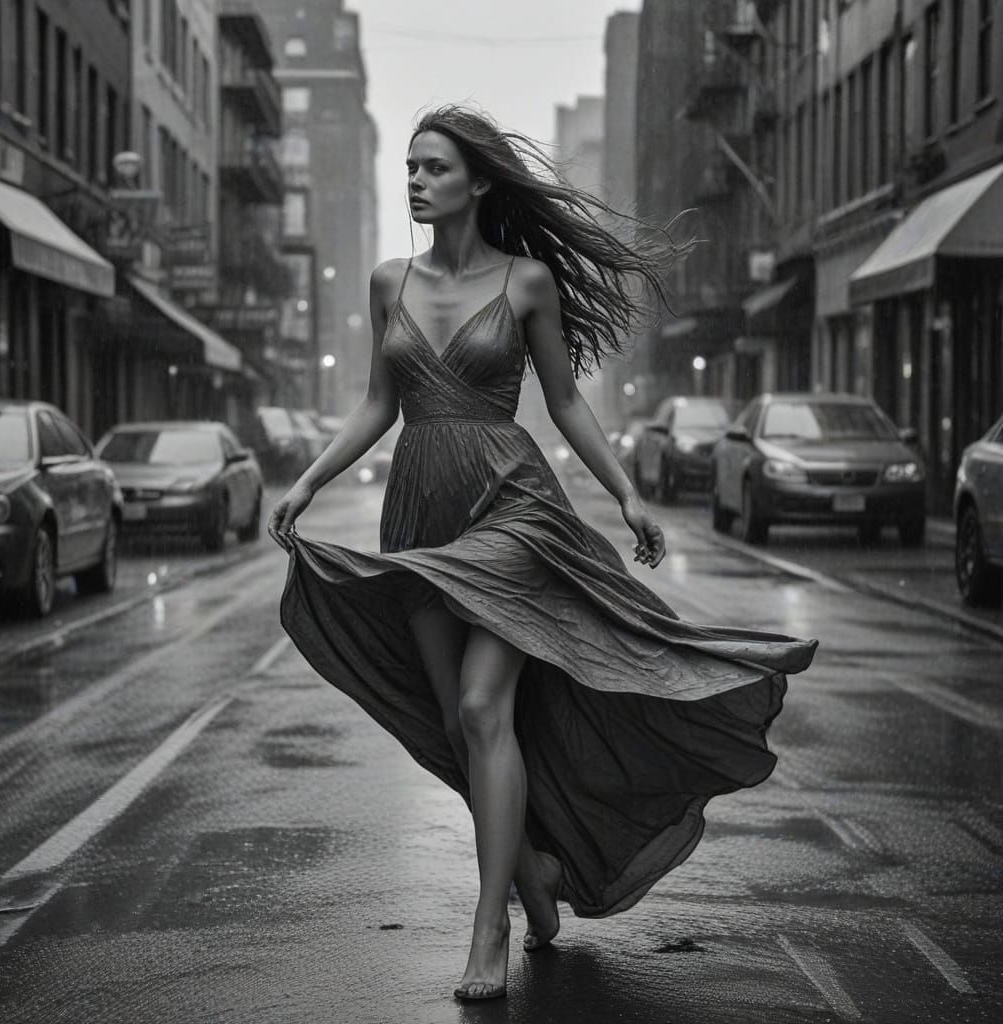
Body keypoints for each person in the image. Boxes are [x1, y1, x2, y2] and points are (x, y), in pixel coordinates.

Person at [269, 105, 817, 1002]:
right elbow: (376, 405)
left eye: (433, 167)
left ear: (479, 182)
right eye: (408, 167)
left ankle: (490, 931)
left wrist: (627, 493)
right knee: (457, 723)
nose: (414, 181)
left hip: (512, 507)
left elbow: (564, 403)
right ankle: (535, 875)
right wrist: (309, 481)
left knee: (486, 706)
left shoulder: (526, 282)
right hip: (420, 512)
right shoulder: (386, 280)